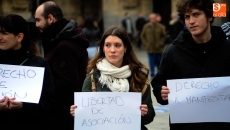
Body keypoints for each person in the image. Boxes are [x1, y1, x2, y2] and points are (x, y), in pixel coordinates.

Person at [151, 0, 230, 130]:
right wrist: (162, 93)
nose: (191, 21)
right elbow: (159, 84)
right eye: (187, 17)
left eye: (196, 14)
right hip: (186, 125)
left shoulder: (227, 49)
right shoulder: (173, 52)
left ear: (210, 16)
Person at [70, 26, 155, 130]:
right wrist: (78, 112)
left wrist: (145, 113)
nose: (112, 50)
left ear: (125, 47)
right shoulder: (93, 78)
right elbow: (85, 119)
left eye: (117, 45)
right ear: (103, 48)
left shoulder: (138, 77)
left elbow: (150, 116)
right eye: (108, 45)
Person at [35, 1, 90, 129]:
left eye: (38, 20)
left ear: (50, 18)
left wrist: (39, 82)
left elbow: (67, 84)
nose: (36, 24)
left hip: (64, 114)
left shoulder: (63, 46)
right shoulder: (62, 39)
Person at [0, 14, 55, 130]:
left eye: (4, 33)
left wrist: (23, 106)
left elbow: (49, 105)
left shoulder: (39, 64)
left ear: (19, 37)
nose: (0, 37)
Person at [141, 13, 166, 77]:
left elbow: (164, 36)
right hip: (150, 48)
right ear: (149, 19)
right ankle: (152, 74)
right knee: (151, 62)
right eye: (151, 18)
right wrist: (146, 44)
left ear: (156, 18)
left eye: (154, 18)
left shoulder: (160, 27)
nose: (153, 19)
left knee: (159, 62)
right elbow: (142, 36)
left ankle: (159, 74)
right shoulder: (146, 26)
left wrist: (161, 43)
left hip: (158, 49)